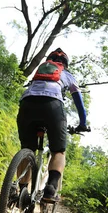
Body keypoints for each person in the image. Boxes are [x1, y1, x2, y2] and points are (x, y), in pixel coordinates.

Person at [17, 48, 88, 202]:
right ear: (65, 64)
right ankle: (50, 188)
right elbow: (79, 102)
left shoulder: (39, 72)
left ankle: (20, 191)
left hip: (27, 104)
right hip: (53, 106)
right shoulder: (67, 75)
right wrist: (83, 123)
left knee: (27, 149)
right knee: (58, 151)